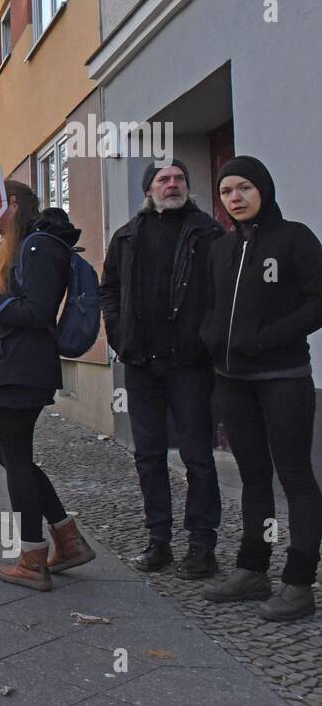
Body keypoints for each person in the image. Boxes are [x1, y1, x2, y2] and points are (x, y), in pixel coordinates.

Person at [200, 156, 322, 621]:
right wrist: (210, 337)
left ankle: (299, 582)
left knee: (295, 476)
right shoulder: (222, 250)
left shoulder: (295, 239)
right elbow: (213, 306)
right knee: (253, 476)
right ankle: (253, 568)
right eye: (228, 190)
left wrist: (269, 337)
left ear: (263, 190)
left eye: (245, 187)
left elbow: (318, 301)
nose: (236, 197)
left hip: (283, 379)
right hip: (232, 382)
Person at [0, 180, 95, 590]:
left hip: (21, 369)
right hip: (16, 367)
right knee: (9, 455)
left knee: (15, 459)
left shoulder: (36, 246)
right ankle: (67, 539)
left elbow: (36, 312)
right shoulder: (34, 245)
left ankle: (33, 559)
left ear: (13, 205)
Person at [100, 159, 224, 578]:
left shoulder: (208, 232)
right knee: (148, 455)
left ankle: (202, 545)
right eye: (163, 179)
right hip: (141, 364)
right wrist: (119, 336)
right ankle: (159, 541)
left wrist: (206, 340)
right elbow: (109, 290)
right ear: (148, 190)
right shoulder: (128, 236)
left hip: (191, 365)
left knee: (197, 457)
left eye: (179, 179)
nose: (172, 185)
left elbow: (222, 295)